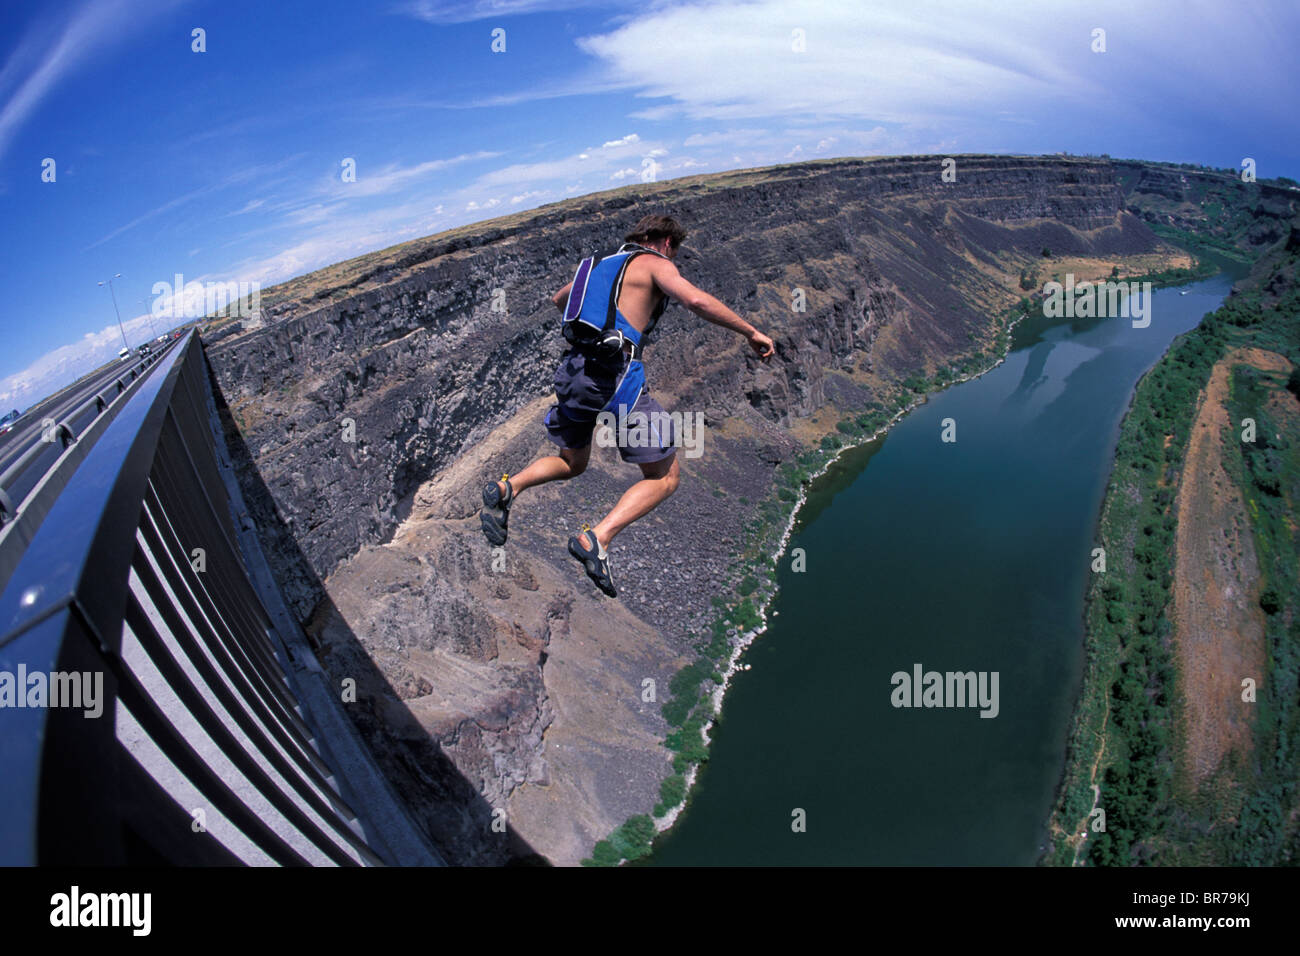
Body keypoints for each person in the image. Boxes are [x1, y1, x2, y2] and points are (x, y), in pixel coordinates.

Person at [480, 214, 775, 598]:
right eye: (676, 249)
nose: (676, 257)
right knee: (664, 478)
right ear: (665, 241)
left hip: (573, 371)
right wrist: (750, 332)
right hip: (615, 379)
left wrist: (596, 328)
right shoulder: (655, 263)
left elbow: (559, 299)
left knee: (572, 461)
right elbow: (696, 300)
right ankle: (597, 539)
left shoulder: (600, 265)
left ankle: (508, 487)